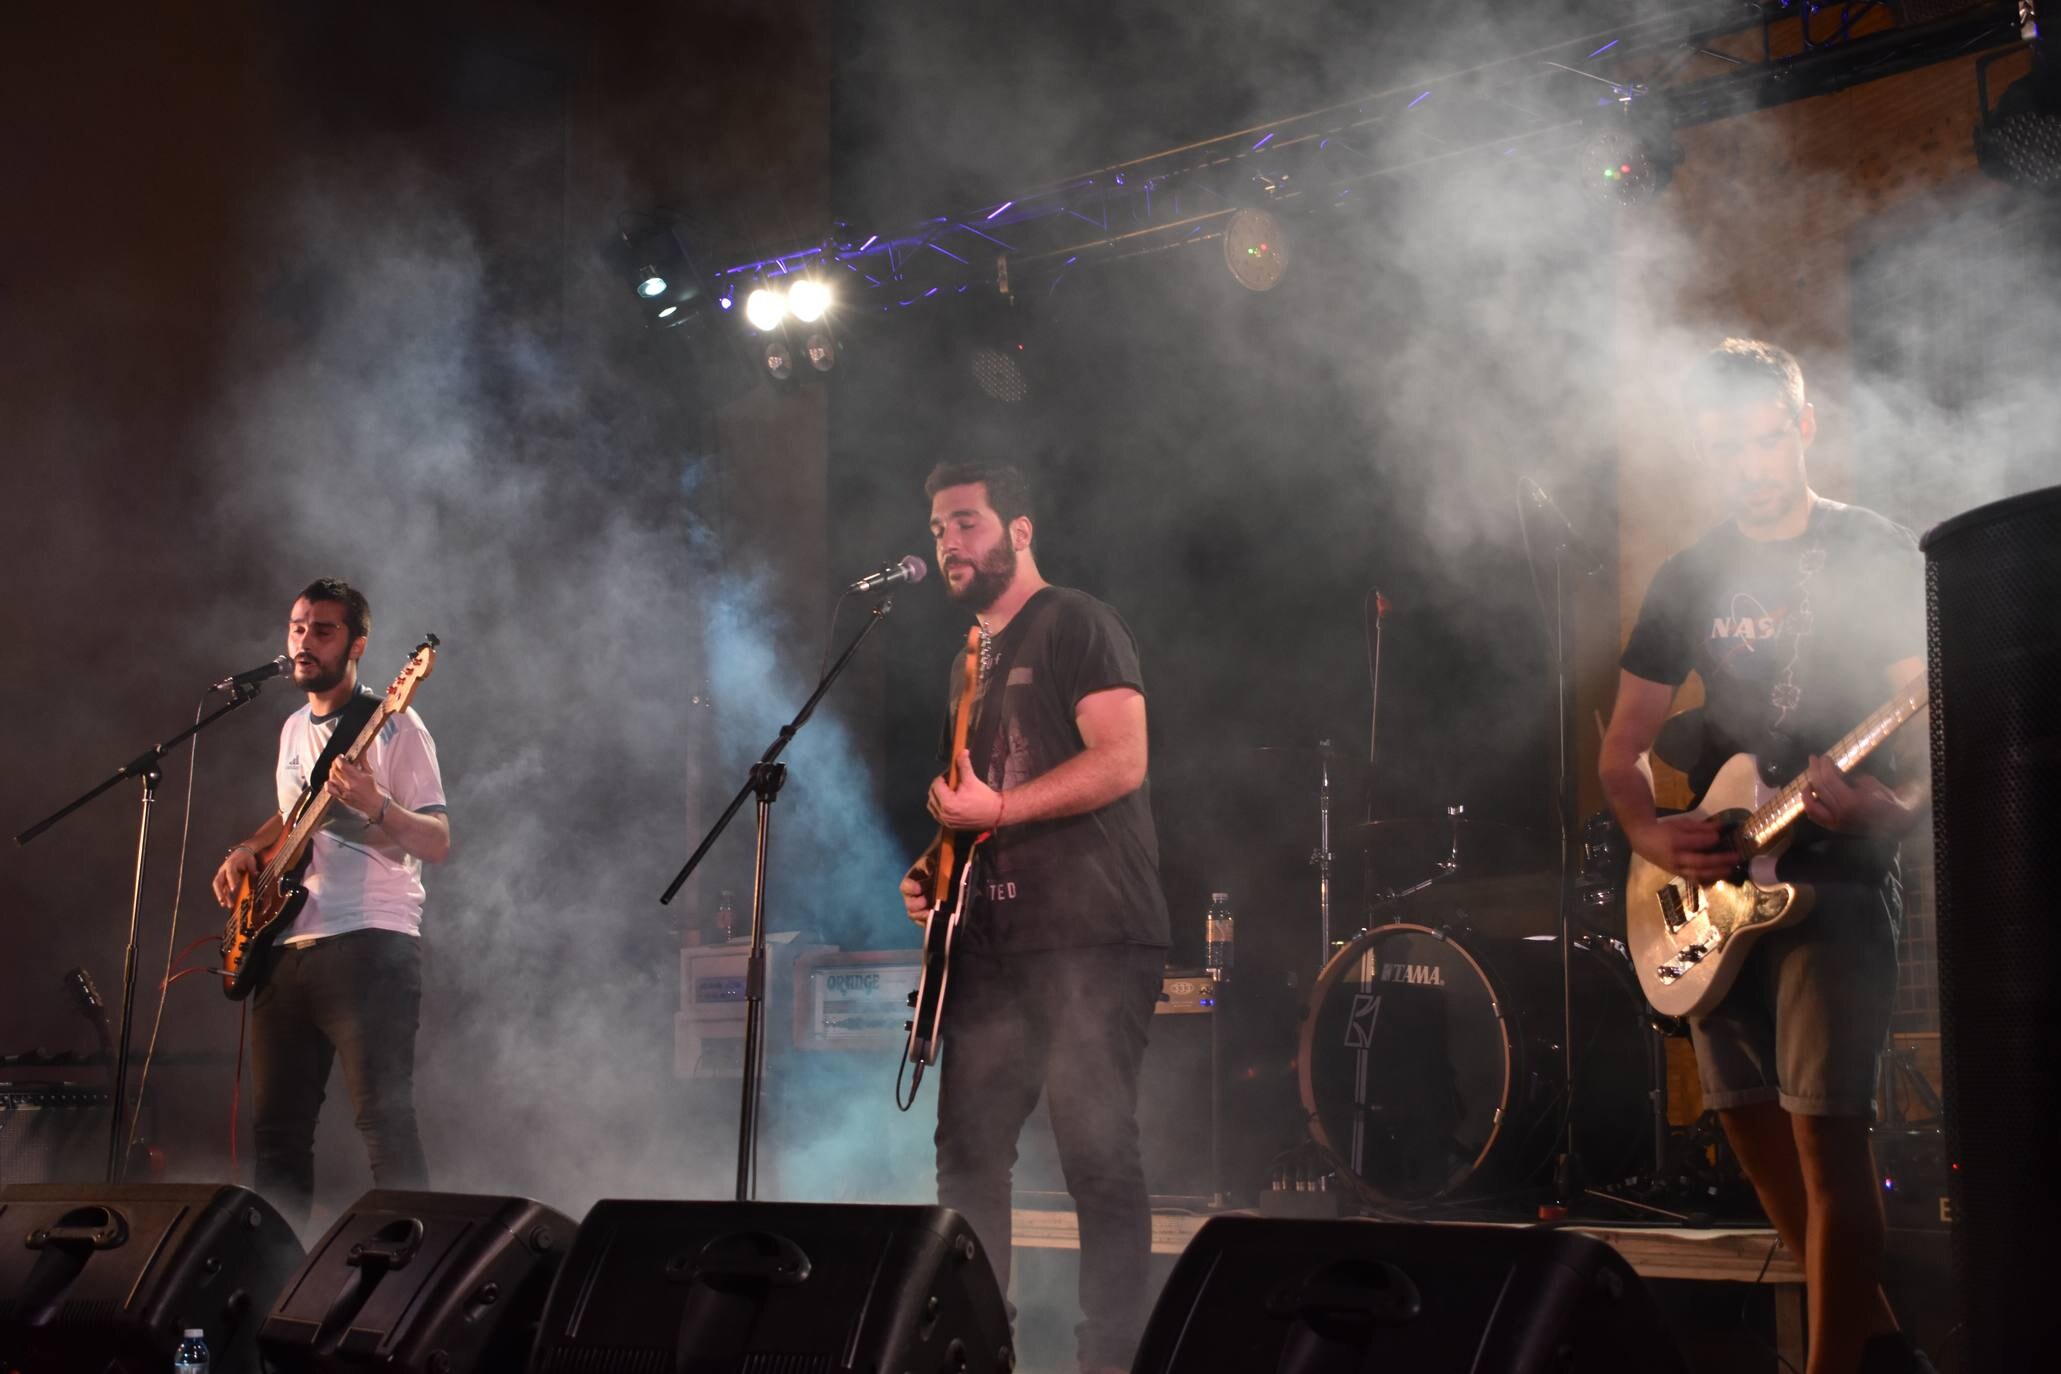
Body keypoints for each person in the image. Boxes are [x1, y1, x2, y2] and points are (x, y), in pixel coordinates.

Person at [1598, 340, 1932, 1374]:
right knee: (1750, 1135)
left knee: (1830, 1144)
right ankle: (1880, 1352)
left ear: (1802, 428)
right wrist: (1652, 833)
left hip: (1833, 885)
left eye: (1765, 439)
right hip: (1721, 889)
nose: (1750, 464)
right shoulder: (1688, 576)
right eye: (1726, 448)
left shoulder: (1872, 549)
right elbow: (1623, 750)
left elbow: (1932, 722)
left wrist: (1891, 803)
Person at [899, 459, 1170, 1374]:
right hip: (994, 940)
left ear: (1019, 530)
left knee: (1097, 1155)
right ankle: (979, 1352)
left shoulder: (1077, 623)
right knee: (967, 1157)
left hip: (1091, 932)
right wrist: (935, 865)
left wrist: (1002, 814)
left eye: (967, 523)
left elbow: (1122, 759)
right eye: (938, 529)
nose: (949, 544)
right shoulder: (965, 660)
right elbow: (973, 797)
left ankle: (1110, 1362)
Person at [211, 577, 450, 1232]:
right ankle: (274, 1281)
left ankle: (416, 1276)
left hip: (369, 941)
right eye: (297, 627)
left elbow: (437, 840)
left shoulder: (396, 722)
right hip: (283, 948)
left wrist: (375, 805)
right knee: (278, 1135)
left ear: (358, 645)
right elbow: (294, 816)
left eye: (322, 630)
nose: (303, 641)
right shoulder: (292, 729)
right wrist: (248, 850)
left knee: (383, 1121)